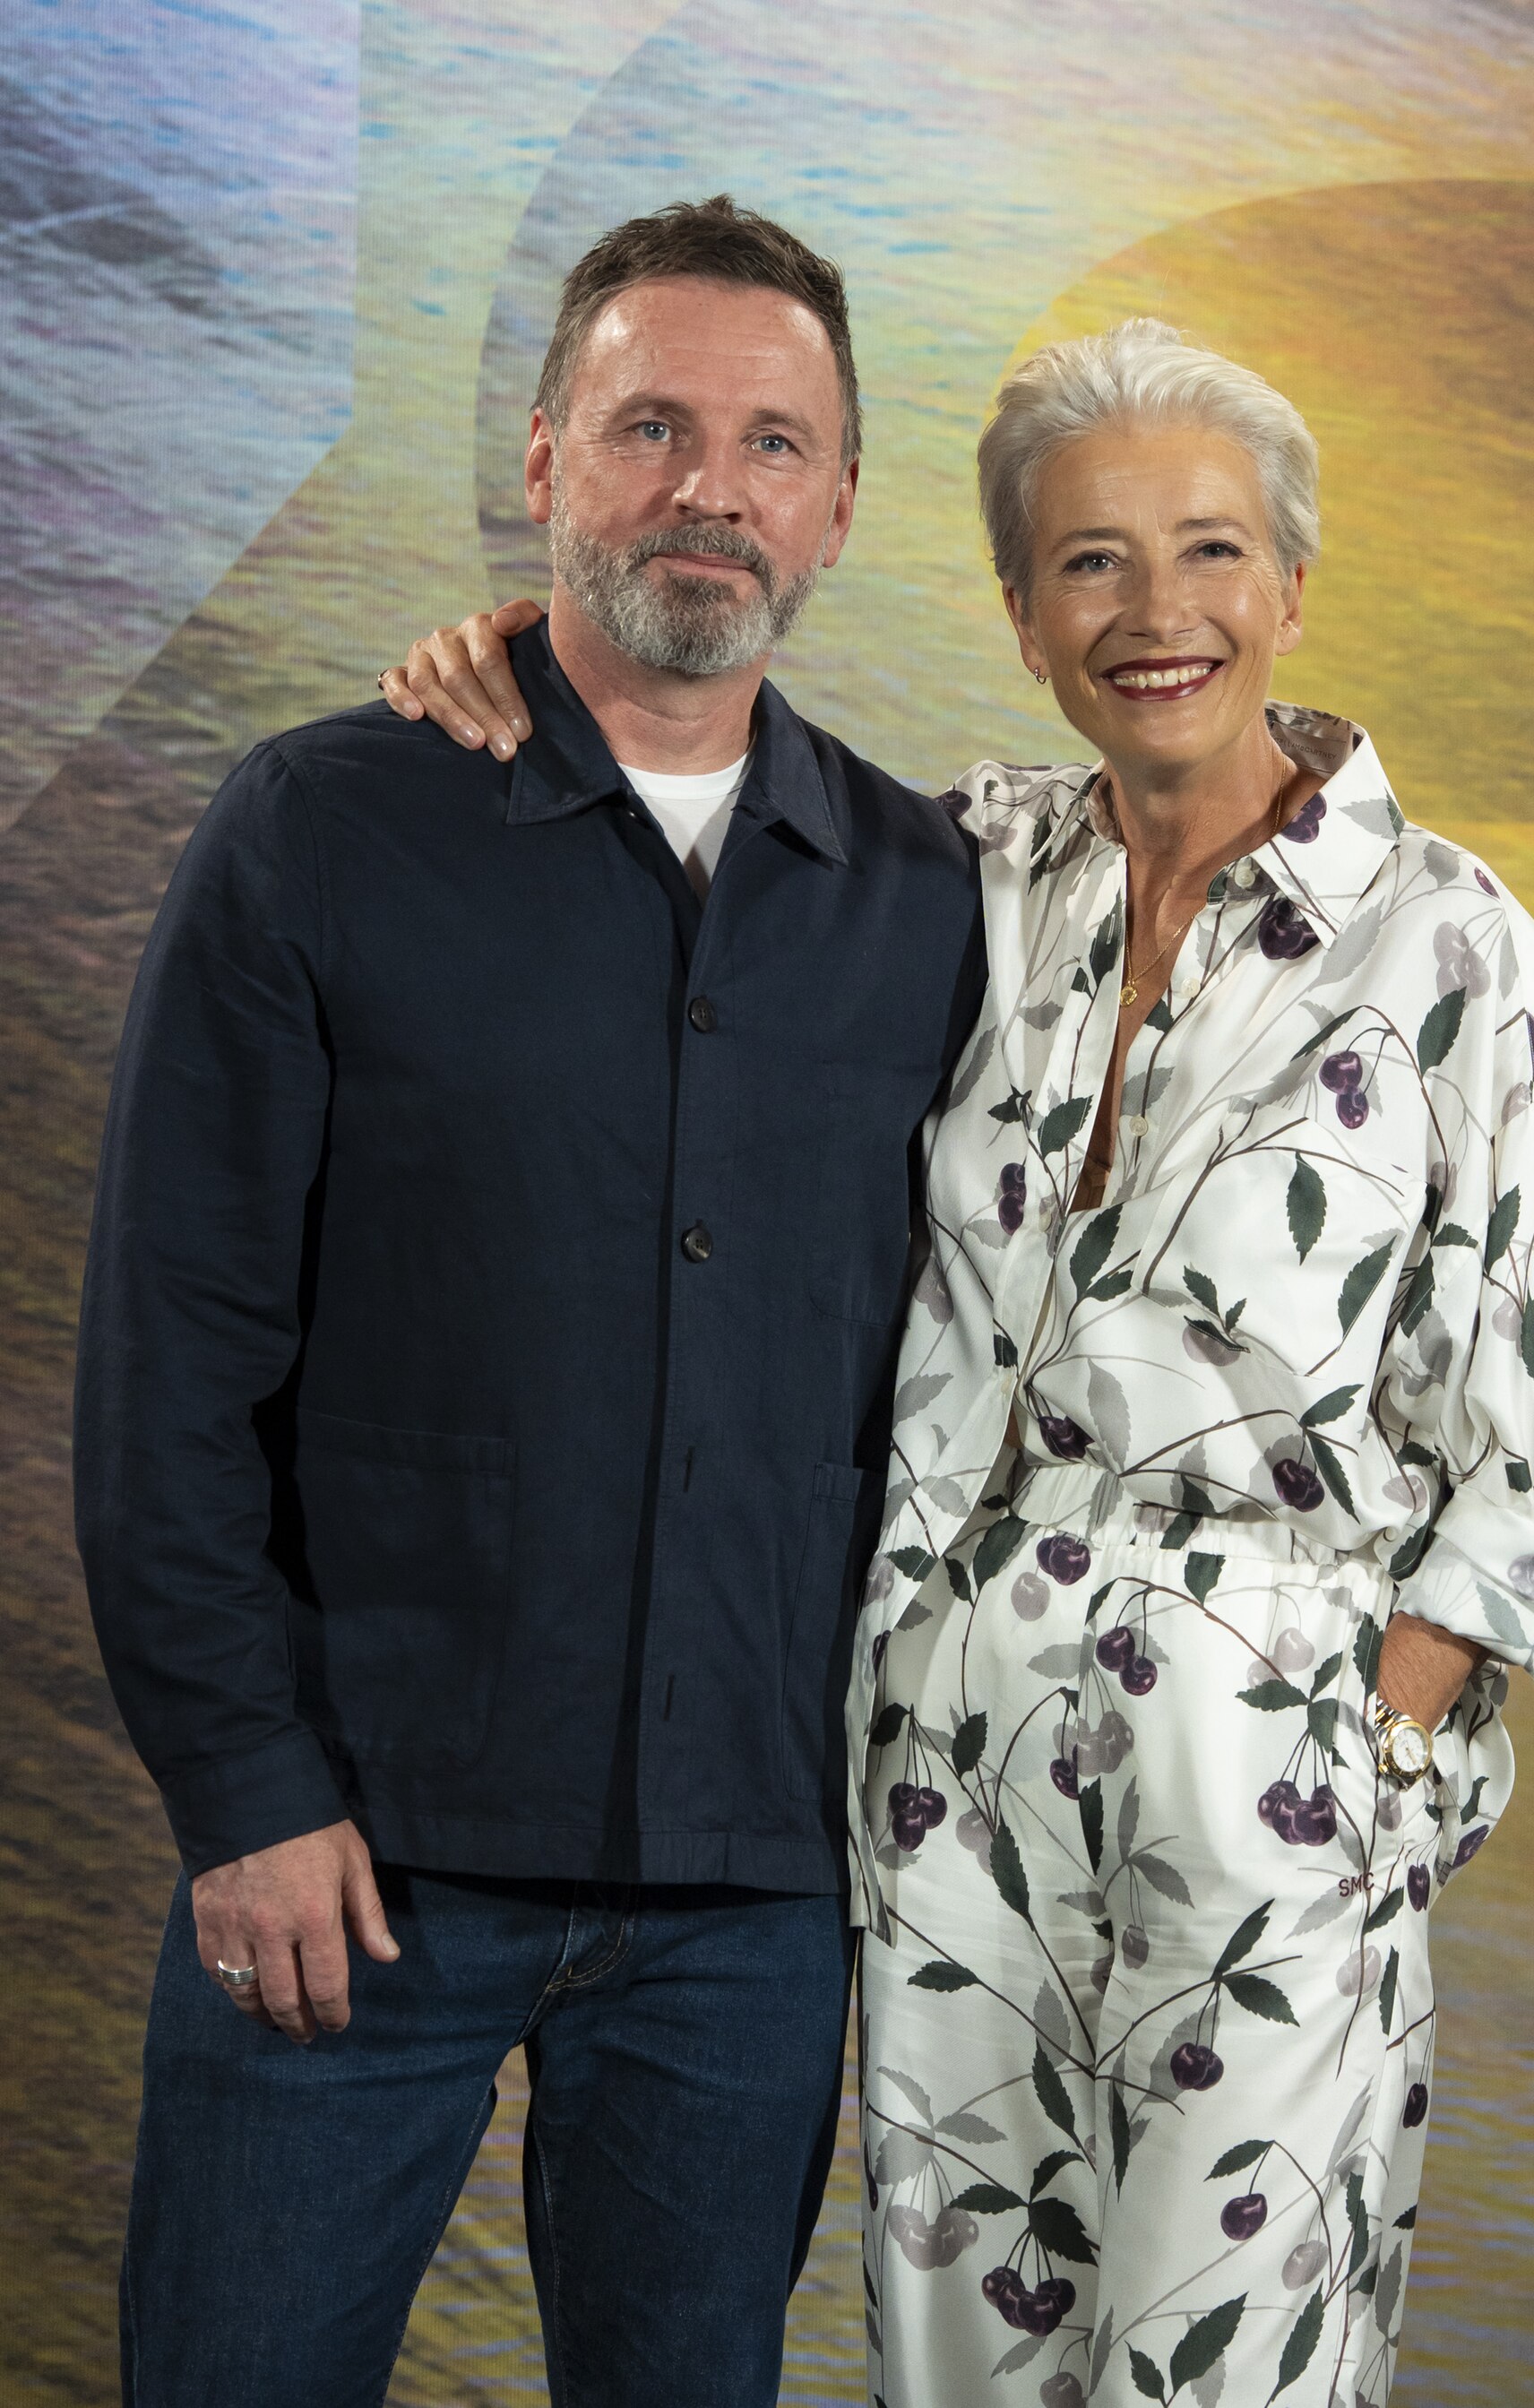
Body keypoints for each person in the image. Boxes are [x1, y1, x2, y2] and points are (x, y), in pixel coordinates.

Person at [391, 319, 1534, 2404]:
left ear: (1295, 589)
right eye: (1090, 565)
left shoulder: (1456, 946)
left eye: (1213, 553)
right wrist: (526, 652)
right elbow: (702, 788)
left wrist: (1360, 1779)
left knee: (1227, 2370)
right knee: (959, 2366)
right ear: (1025, 618)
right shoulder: (952, 872)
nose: (1160, 616)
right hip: (944, 1772)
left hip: (1269, 1785)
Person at [73, 195, 985, 2408]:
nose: (712, 486)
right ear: (547, 462)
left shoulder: (942, 903)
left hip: (753, 1899)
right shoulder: (319, 829)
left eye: (775, 444)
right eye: (652, 424)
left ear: (842, 505)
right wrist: (242, 1789)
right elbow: (168, 1367)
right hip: (349, 1866)